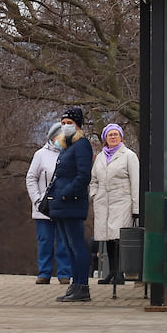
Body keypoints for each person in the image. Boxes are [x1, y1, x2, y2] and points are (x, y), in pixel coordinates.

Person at [50, 106, 94, 303]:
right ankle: (75, 285)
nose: (66, 126)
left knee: (77, 246)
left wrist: (66, 194)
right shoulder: (66, 146)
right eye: (64, 123)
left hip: (71, 203)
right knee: (68, 246)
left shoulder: (82, 145)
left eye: (70, 123)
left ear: (78, 125)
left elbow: (83, 175)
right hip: (61, 203)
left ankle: (82, 285)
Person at [90, 122, 140, 286]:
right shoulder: (100, 157)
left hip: (122, 200)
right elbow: (94, 180)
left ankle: (120, 272)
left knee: (119, 236)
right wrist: (94, 194)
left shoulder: (129, 155)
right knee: (107, 237)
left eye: (115, 134)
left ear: (121, 137)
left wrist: (136, 207)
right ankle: (111, 271)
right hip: (103, 200)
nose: (113, 137)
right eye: (110, 135)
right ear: (105, 138)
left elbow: (135, 182)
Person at [26, 122, 71, 285]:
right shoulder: (40, 155)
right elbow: (31, 177)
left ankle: (64, 273)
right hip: (43, 207)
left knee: (64, 241)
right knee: (45, 241)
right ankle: (44, 273)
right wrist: (37, 199)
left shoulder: (70, 154)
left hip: (63, 205)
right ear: (53, 137)